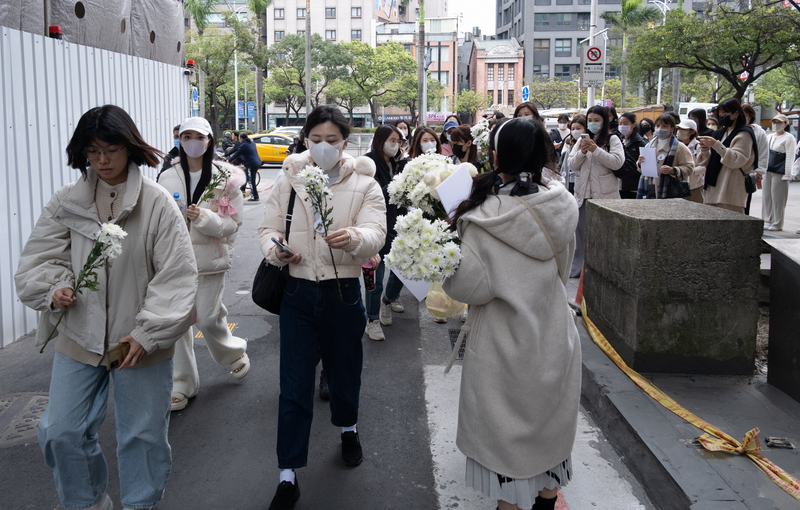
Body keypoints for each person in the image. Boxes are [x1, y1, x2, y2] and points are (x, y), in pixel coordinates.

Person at [14, 105, 198, 510]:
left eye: (110, 150)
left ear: (129, 148)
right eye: (92, 152)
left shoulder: (157, 203)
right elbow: (39, 261)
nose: (101, 161)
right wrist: (56, 287)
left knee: (143, 435)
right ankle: (88, 501)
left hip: (138, 341)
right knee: (60, 430)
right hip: (80, 332)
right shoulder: (67, 200)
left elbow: (178, 275)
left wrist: (148, 332)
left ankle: (140, 505)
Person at [443, 117, 580, 510]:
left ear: (495, 155)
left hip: (504, 346)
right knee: (548, 440)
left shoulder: (486, 216)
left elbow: (467, 288)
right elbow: (564, 264)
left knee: (509, 459)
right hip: (555, 333)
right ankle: (548, 500)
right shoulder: (561, 203)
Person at [257, 106, 386, 510]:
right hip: (297, 293)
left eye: (332, 140)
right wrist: (277, 251)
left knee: (344, 374)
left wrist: (355, 238)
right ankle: (287, 474)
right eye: (316, 140)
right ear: (305, 140)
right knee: (293, 386)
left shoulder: (366, 183)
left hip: (344, 292)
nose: (324, 147)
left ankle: (348, 429)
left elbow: (376, 231)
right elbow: (268, 228)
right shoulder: (290, 180)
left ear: (346, 143)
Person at [157, 117, 249, 411]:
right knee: (179, 324)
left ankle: (234, 353)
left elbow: (234, 223)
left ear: (209, 140)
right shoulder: (166, 177)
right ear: (179, 141)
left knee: (208, 318)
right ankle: (182, 383)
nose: (192, 142)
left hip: (210, 259)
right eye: (186, 137)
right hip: (174, 261)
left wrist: (205, 219)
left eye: (199, 136)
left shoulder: (226, 177)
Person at [568, 105, 625, 277]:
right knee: (582, 234)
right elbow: (572, 165)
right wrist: (582, 153)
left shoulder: (612, 139)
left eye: (597, 120)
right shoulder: (580, 141)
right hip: (583, 193)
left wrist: (596, 150)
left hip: (605, 195)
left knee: (605, 234)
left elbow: (617, 162)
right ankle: (579, 270)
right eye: (590, 120)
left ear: (605, 121)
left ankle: (605, 269)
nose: (593, 124)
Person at [363, 125, 407, 341]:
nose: (395, 144)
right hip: (375, 227)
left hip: (398, 225)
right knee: (375, 278)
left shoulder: (400, 164)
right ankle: (371, 320)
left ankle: (387, 301)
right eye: (391, 140)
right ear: (380, 141)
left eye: (398, 140)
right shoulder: (368, 163)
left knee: (403, 269)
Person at [697, 98, 757, 213]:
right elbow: (706, 161)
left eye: (725, 113)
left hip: (731, 188)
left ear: (736, 114)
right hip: (713, 188)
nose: (722, 116)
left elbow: (737, 160)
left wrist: (716, 145)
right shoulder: (719, 133)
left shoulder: (744, 134)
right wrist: (705, 150)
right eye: (720, 114)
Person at [635, 113, 694, 199]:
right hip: (649, 186)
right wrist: (640, 163)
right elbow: (641, 168)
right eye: (658, 126)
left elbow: (689, 168)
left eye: (665, 126)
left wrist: (673, 170)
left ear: (672, 129)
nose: (660, 129)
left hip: (669, 189)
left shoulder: (679, 147)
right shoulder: (649, 145)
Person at [762, 114, 797, 231]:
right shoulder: (770, 136)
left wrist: (787, 174)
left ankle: (777, 222)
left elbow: (790, 157)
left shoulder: (789, 138)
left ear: (785, 124)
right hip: (768, 169)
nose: (776, 124)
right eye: (775, 122)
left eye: (779, 122)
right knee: (767, 196)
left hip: (780, 171)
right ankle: (767, 219)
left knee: (778, 198)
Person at [741, 104, 769, 216]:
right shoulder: (735, 130)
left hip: (749, 171)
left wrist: (760, 171)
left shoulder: (759, 132)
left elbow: (763, 152)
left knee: (746, 200)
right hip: (735, 168)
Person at [614, 112, 647, 199]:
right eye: (620, 124)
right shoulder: (618, 140)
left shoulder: (640, 143)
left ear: (634, 125)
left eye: (625, 123)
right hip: (619, 185)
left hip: (632, 186)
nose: (622, 126)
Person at [676, 119, 704, 203]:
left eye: (683, 129)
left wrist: (688, 170)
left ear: (692, 132)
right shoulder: (677, 145)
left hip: (694, 186)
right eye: (679, 129)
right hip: (678, 185)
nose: (679, 131)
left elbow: (704, 166)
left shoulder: (698, 146)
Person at [228, 132, 262, 201]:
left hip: (251, 164)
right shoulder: (251, 142)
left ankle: (255, 196)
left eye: (239, 138)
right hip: (256, 162)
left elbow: (237, 153)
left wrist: (229, 160)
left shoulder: (244, 145)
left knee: (251, 181)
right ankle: (242, 188)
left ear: (241, 138)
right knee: (245, 174)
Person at [561, 116, 587, 194]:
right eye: (572, 129)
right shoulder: (569, 147)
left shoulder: (591, 146)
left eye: (578, 128)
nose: (575, 131)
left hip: (585, 183)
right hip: (570, 181)